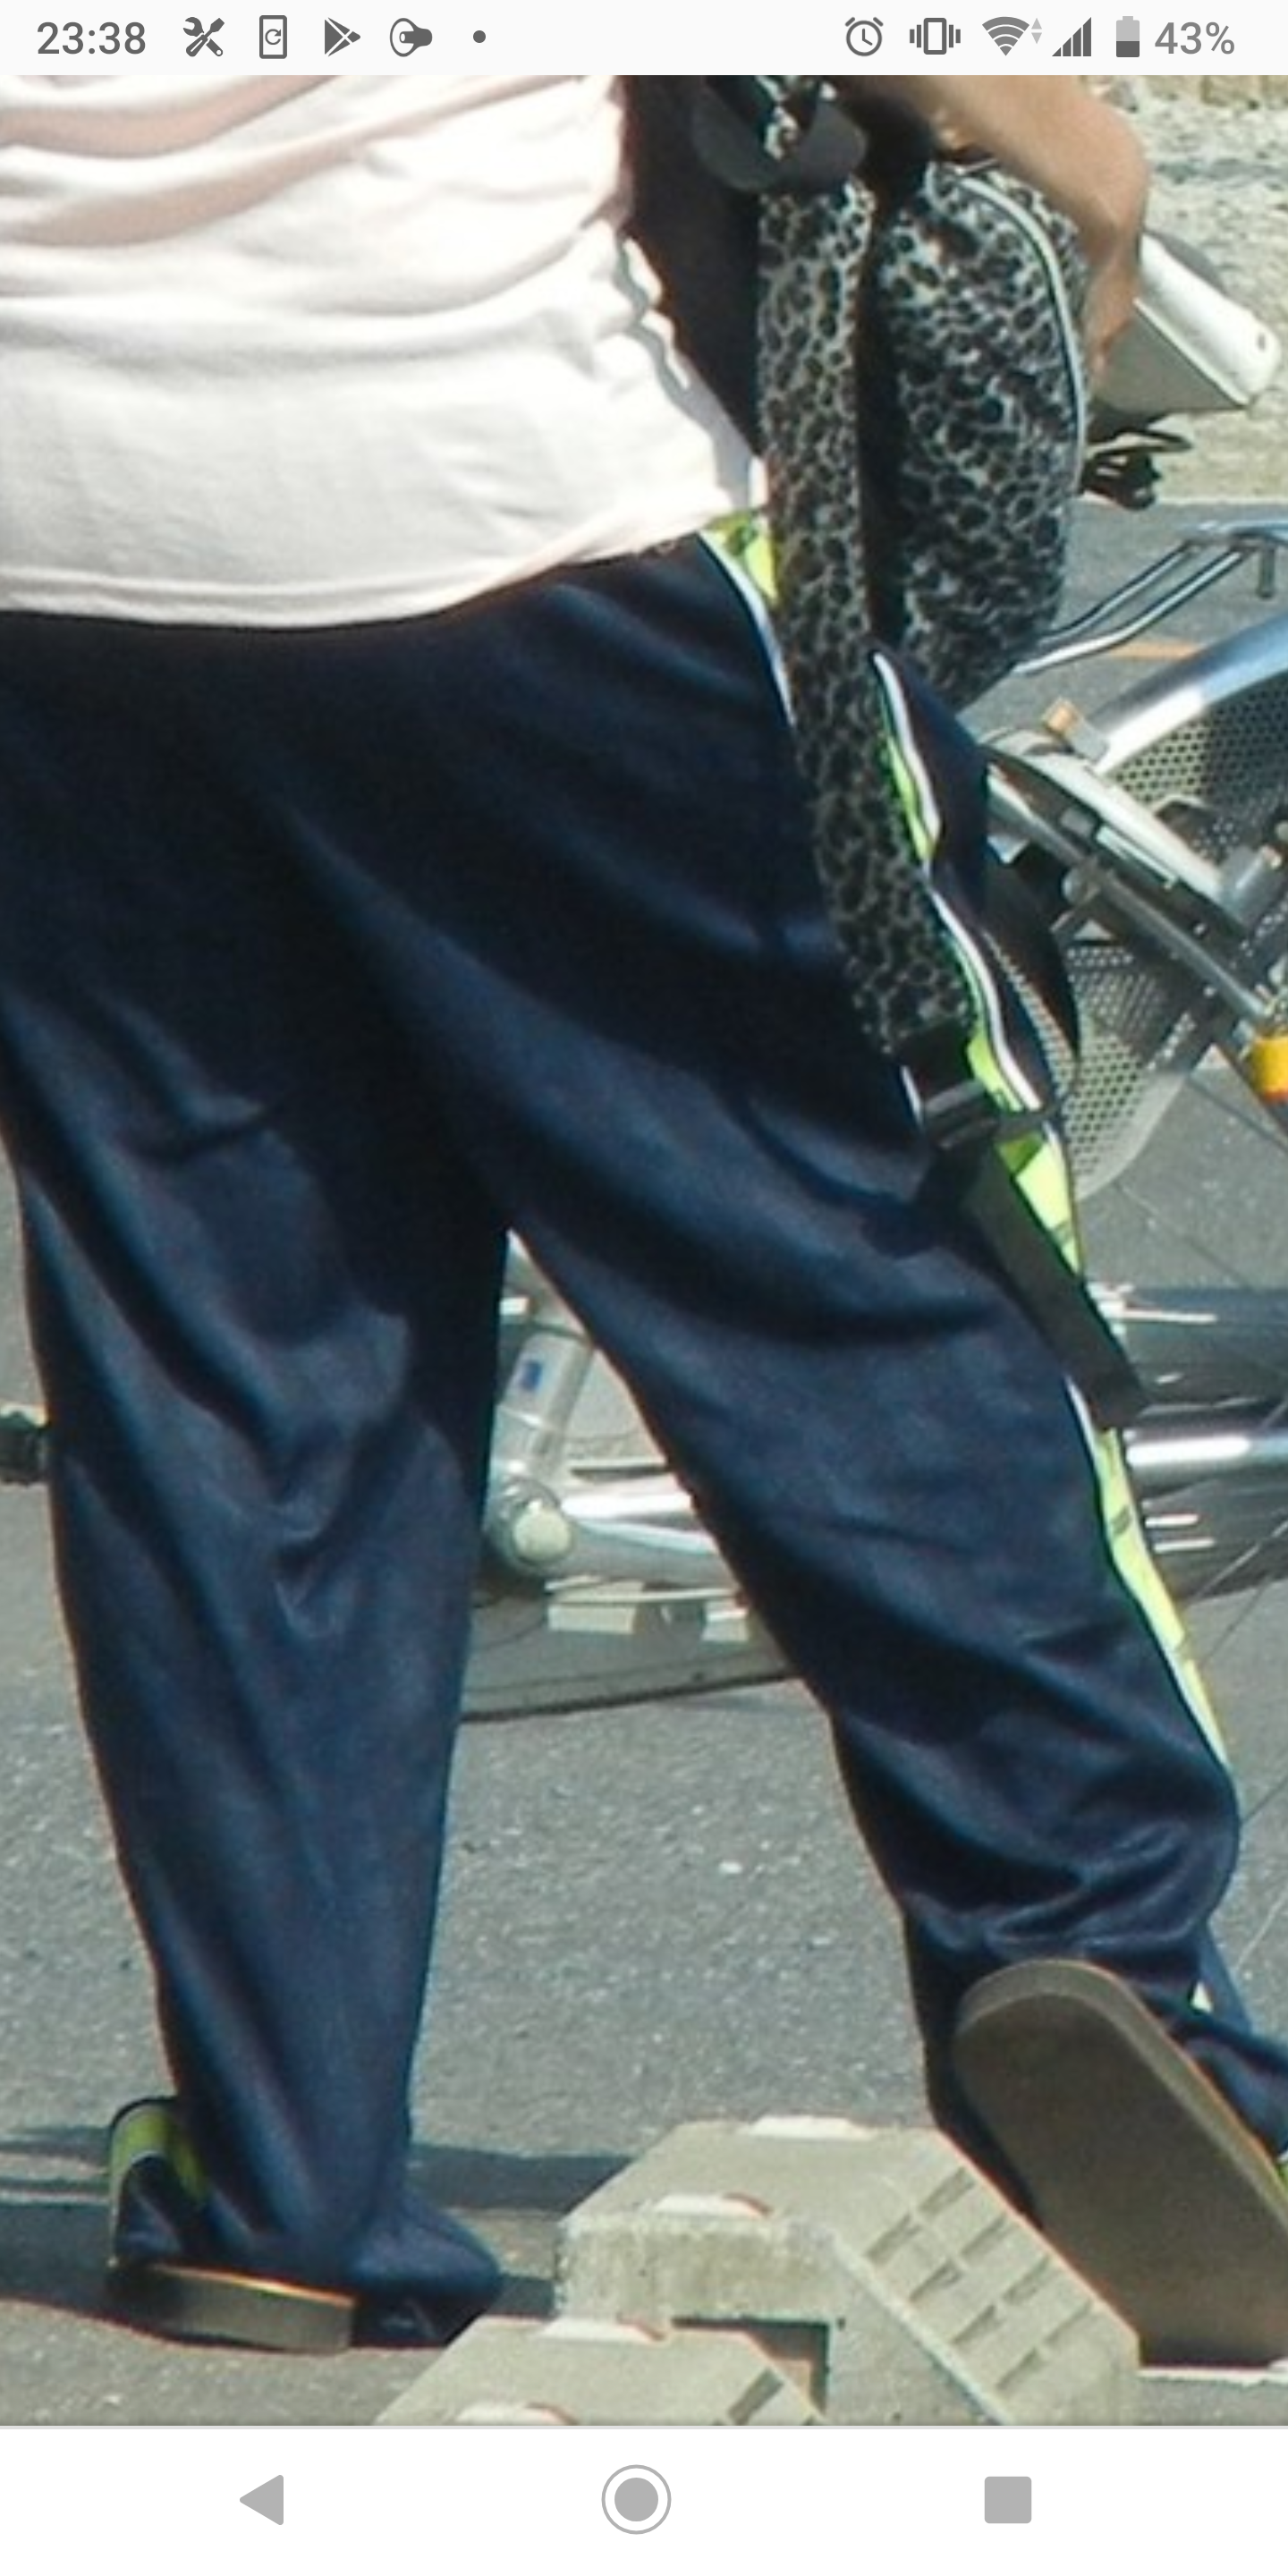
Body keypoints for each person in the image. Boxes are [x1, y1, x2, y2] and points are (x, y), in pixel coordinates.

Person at [1, 65, 1287, 2366]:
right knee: (860, 1254)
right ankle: (1112, 1994)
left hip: (53, 537)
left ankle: (282, 2190)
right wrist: (1085, 185)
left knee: (233, 1371)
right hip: (519, 485)